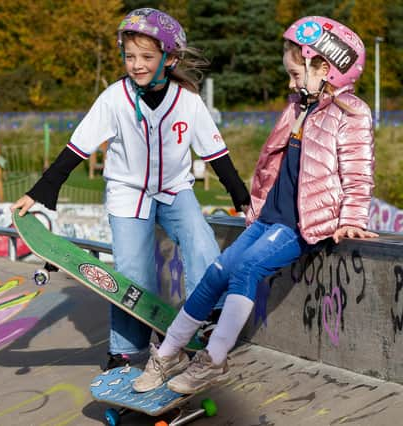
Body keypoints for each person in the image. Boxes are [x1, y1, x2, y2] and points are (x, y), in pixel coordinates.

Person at [132, 15, 379, 394]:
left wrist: (352, 218)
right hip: (269, 218)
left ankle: (213, 360)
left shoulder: (353, 115)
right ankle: (168, 353)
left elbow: (359, 174)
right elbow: (273, 161)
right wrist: (254, 203)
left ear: (326, 70)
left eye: (296, 75)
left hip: (301, 226)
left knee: (245, 268)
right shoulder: (299, 105)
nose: (290, 83)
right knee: (217, 271)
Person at [11, 8, 250, 370]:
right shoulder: (113, 99)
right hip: (127, 193)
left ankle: (207, 315)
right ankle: (124, 349)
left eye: (146, 57)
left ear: (169, 59)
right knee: (132, 276)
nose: (136, 64)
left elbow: (218, 156)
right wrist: (41, 191)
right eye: (129, 56)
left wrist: (243, 201)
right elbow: (77, 148)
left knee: (201, 240)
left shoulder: (188, 102)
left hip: (174, 191)